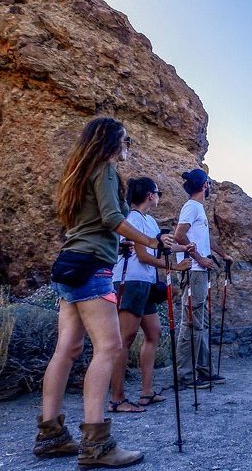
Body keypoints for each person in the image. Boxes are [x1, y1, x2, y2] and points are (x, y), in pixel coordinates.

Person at [36, 117, 173, 469]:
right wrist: (152, 240)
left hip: (69, 264)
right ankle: (97, 443)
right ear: (112, 142)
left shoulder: (77, 173)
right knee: (109, 347)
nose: (128, 147)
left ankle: (50, 434)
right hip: (94, 266)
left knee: (67, 349)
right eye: (125, 141)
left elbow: (97, 220)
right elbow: (113, 219)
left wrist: (128, 237)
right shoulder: (106, 169)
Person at [108, 177, 193, 413]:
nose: (159, 197)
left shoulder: (149, 221)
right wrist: (175, 267)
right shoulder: (132, 220)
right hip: (130, 280)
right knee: (125, 338)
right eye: (158, 193)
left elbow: (161, 246)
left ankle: (146, 392)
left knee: (153, 334)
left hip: (144, 282)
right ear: (149, 195)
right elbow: (144, 256)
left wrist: (184, 248)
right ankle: (117, 398)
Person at [173, 169, 233, 389]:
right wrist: (200, 258)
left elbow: (204, 238)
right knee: (192, 322)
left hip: (200, 270)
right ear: (205, 185)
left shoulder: (197, 208)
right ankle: (186, 376)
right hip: (195, 271)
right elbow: (180, 235)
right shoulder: (191, 207)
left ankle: (203, 371)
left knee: (201, 322)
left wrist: (221, 254)